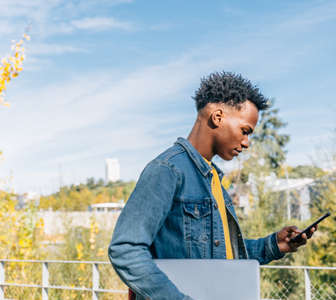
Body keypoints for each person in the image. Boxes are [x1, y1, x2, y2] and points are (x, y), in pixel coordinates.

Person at [108, 72, 317, 300]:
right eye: (245, 131)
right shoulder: (167, 170)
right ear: (218, 117)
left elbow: (221, 255)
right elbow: (125, 249)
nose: (246, 142)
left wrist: (274, 244)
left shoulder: (213, 179)